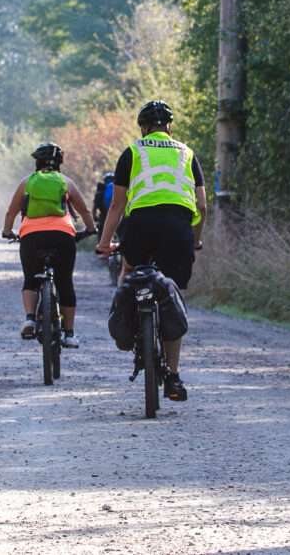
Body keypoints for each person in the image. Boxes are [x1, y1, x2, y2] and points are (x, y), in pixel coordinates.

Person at [96, 101, 206, 401]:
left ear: (143, 128)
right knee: (171, 291)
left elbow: (117, 205)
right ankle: (173, 375)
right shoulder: (187, 153)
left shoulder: (132, 152)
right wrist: (195, 239)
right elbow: (202, 205)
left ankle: (127, 324)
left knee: (129, 270)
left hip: (141, 224)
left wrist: (104, 244)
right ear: (169, 127)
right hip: (178, 226)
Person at [2, 143, 96, 347]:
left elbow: (11, 212)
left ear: (37, 162)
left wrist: (7, 231)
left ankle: (29, 318)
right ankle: (69, 334)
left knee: (30, 279)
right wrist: (91, 230)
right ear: (60, 163)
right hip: (63, 236)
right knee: (64, 282)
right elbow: (85, 211)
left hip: (31, 236)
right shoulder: (66, 182)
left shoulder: (27, 182)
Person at [92, 171, 116, 237]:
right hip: (117, 217)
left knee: (102, 240)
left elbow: (94, 208)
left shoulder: (99, 193)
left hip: (103, 218)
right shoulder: (118, 190)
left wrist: (94, 217)